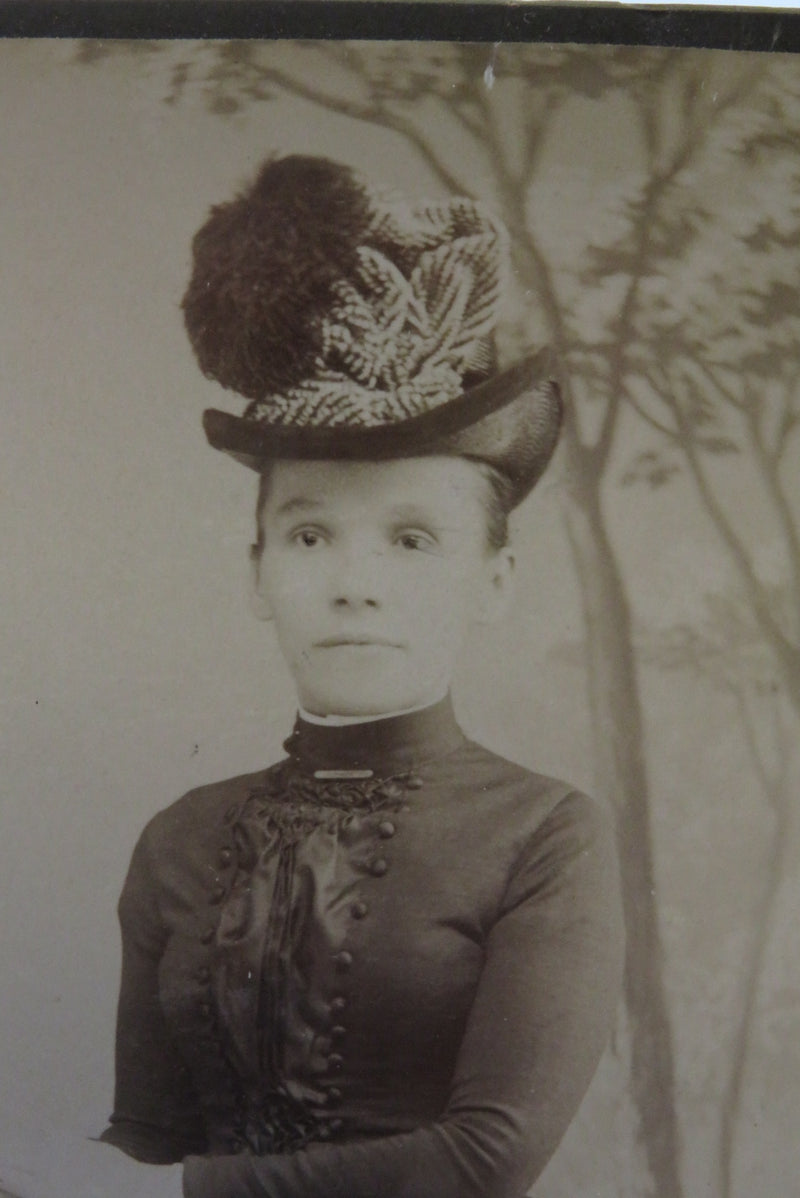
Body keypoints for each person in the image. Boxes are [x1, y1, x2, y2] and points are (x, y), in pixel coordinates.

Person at [2, 155, 623, 1198]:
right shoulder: (179, 839)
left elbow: (486, 1158)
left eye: (413, 540)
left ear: (493, 579)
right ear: (257, 573)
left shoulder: (543, 835)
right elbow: (146, 1137)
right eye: (306, 535)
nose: (353, 584)